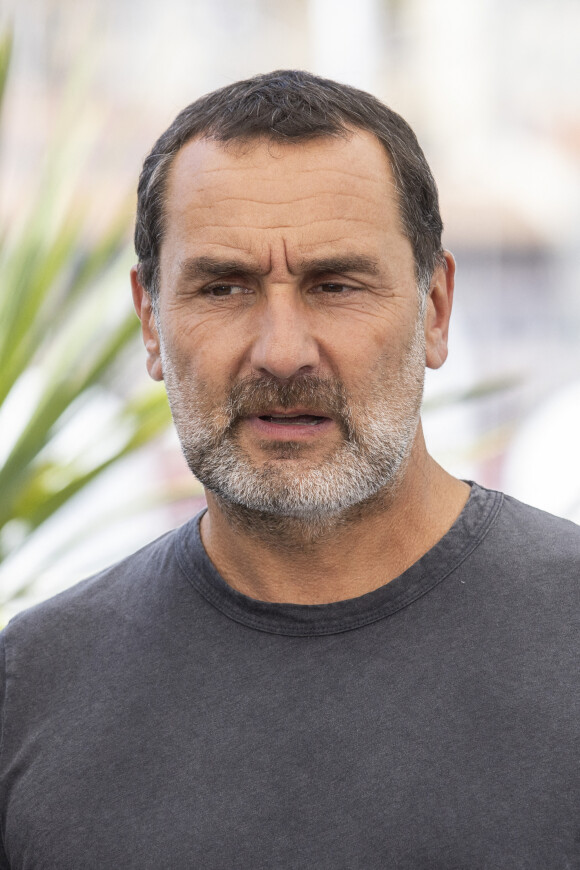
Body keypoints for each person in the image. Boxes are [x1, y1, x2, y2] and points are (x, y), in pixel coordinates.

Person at [1, 70, 579, 869]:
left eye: (335, 284)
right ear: (149, 323)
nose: (281, 351)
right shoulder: (31, 686)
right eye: (223, 287)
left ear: (436, 309)